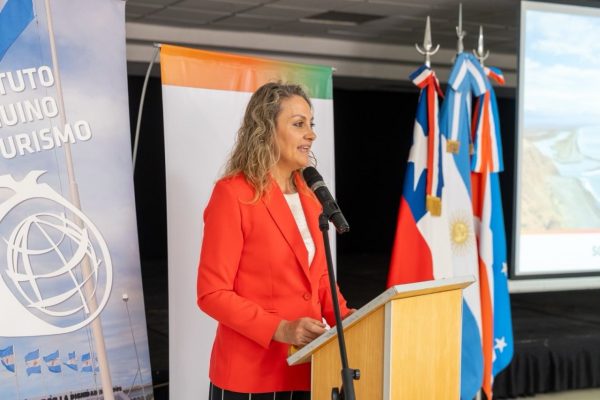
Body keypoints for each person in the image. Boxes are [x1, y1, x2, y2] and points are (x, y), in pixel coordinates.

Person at [197, 82, 353, 399]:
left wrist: (354, 323)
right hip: (250, 375)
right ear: (267, 130)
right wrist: (281, 329)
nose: (311, 134)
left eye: (311, 124)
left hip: (307, 368)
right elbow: (212, 293)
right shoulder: (233, 194)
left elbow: (320, 278)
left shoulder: (310, 195)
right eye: (299, 124)